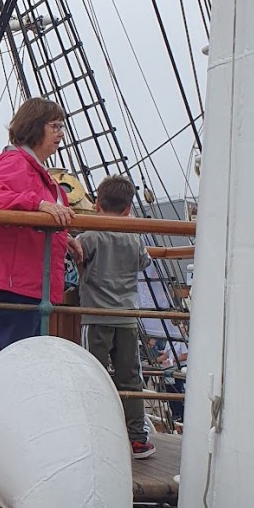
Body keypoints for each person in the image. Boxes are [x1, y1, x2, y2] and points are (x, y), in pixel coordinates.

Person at [0, 98, 82, 349]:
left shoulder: (36, 170)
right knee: (19, 352)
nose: (61, 133)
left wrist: (64, 238)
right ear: (35, 126)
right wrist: (38, 204)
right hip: (20, 281)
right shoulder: (16, 163)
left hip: (29, 281)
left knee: (24, 352)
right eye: (54, 126)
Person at [79, 175, 155, 459]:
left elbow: (75, 254)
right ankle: (137, 438)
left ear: (97, 204)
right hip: (125, 317)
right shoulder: (134, 236)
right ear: (127, 209)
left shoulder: (89, 235)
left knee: (93, 376)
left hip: (95, 317)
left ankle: (94, 434)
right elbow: (144, 261)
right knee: (130, 378)